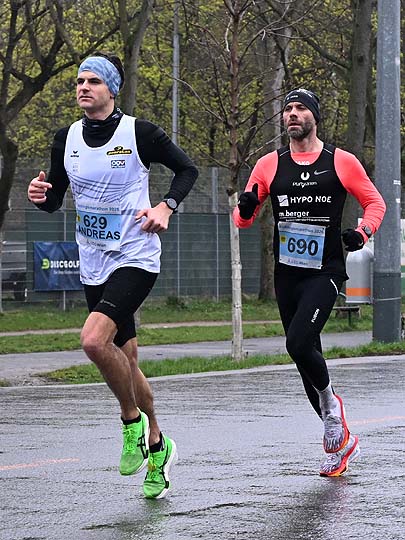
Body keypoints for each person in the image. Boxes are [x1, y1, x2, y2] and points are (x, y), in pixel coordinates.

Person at [27, 52, 198, 498]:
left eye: (92, 81)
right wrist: (40, 196)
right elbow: (54, 199)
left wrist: (166, 207)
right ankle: (158, 443)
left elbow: (187, 169)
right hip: (94, 260)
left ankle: (130, 423)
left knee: (92, 341)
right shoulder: (66, 138)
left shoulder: (139, 133)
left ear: (111, 89)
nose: (83, 87)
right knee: (127, 359)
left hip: (135, 255)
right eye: (79, 81)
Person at [233, 88, 386, 477]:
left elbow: (375, 203)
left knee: (298, 342)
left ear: (314, 116)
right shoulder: (269, 164)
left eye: (301, 108)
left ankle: (333, 411)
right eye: (288, 109)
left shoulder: (341, 161)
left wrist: (363, 233)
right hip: (287, 275)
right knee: (305, 357)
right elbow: (243, 220)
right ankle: (340, 442)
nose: (292, 114)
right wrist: (245, 209)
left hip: (325, 271)